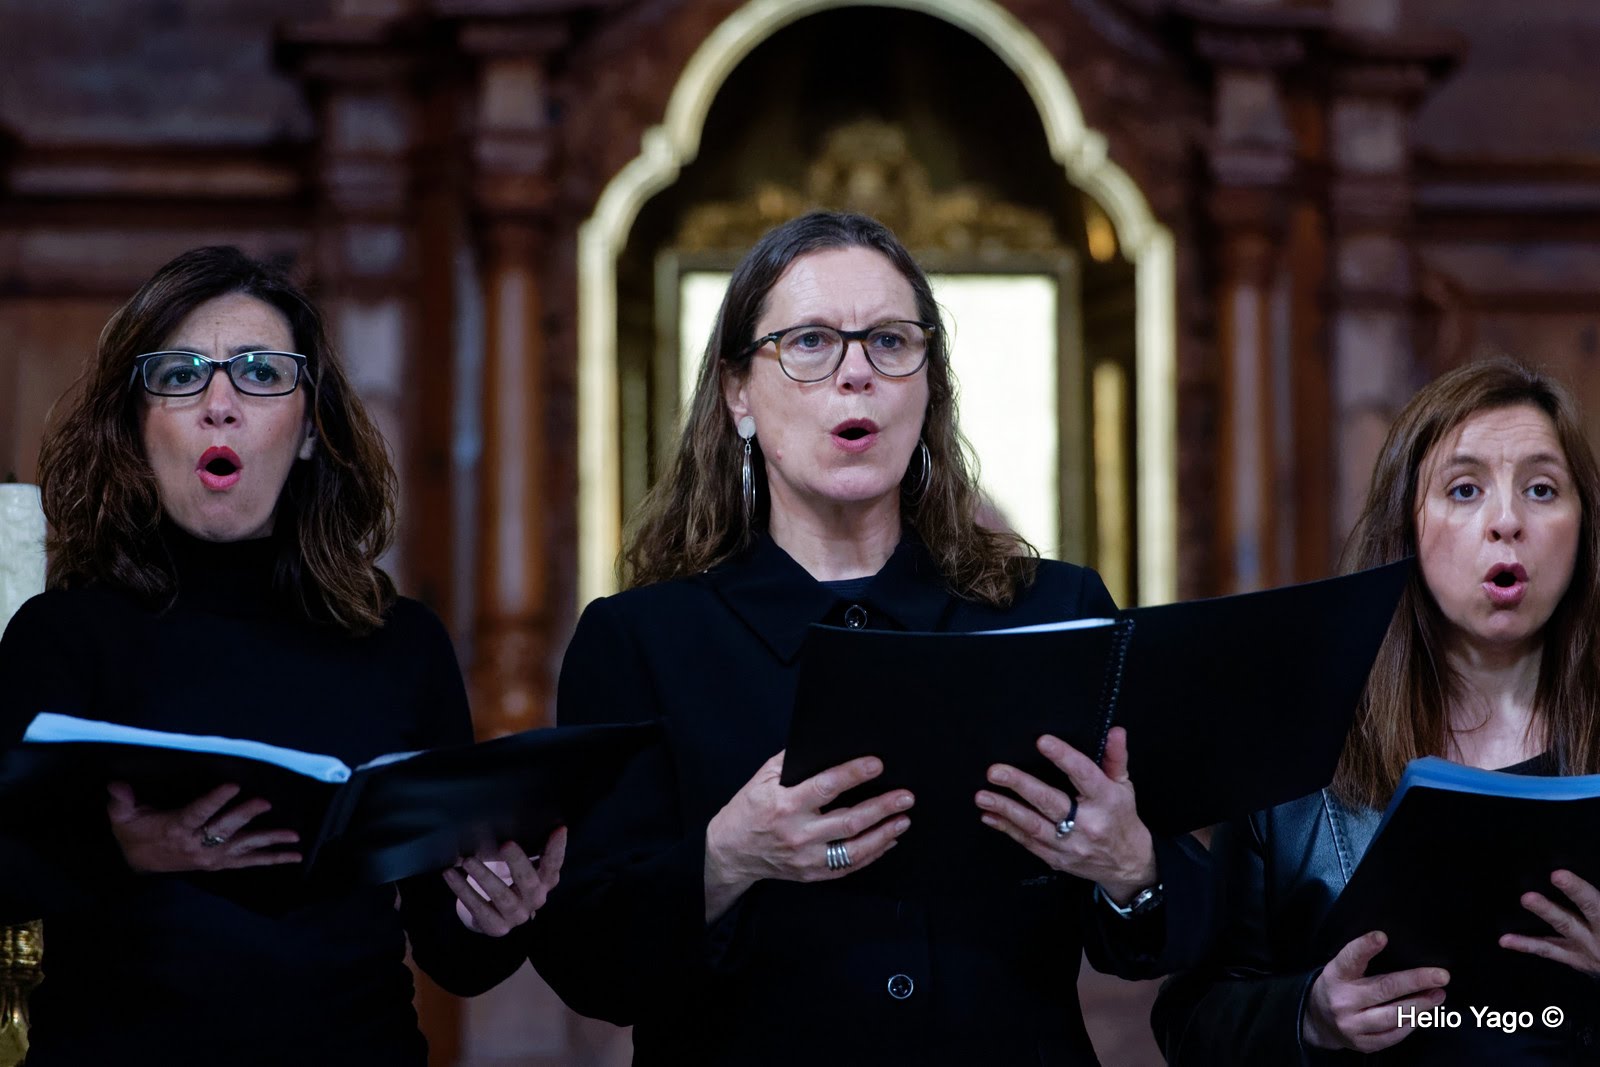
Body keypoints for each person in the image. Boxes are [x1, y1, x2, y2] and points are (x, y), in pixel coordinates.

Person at [528, 211, 1211, 1064]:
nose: (857, 374)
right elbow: (587, 963)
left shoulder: (1054, 607)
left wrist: (1130, 864)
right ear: (739, 393)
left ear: (928, 388)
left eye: (890, 342)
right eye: (810, 343)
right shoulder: (640, 639)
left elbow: (1180, 919)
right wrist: (727, 858)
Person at [0, 247, 561, 1066]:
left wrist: (498, 913)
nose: (219, 404)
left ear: (307, 433)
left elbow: (453, 957)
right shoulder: (60, 635)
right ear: (135, 424)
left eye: (261, 374)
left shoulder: (399, 642)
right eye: (182, 374)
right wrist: (122, 852)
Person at [1153, 358, 1600, 1065]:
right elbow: (1191, 1020)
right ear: (1408, 527)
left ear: (1584, 528)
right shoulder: (1297, 757)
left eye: (1542, 489)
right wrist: (1308, 1015)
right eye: (1464, 489)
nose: (1508, 520)